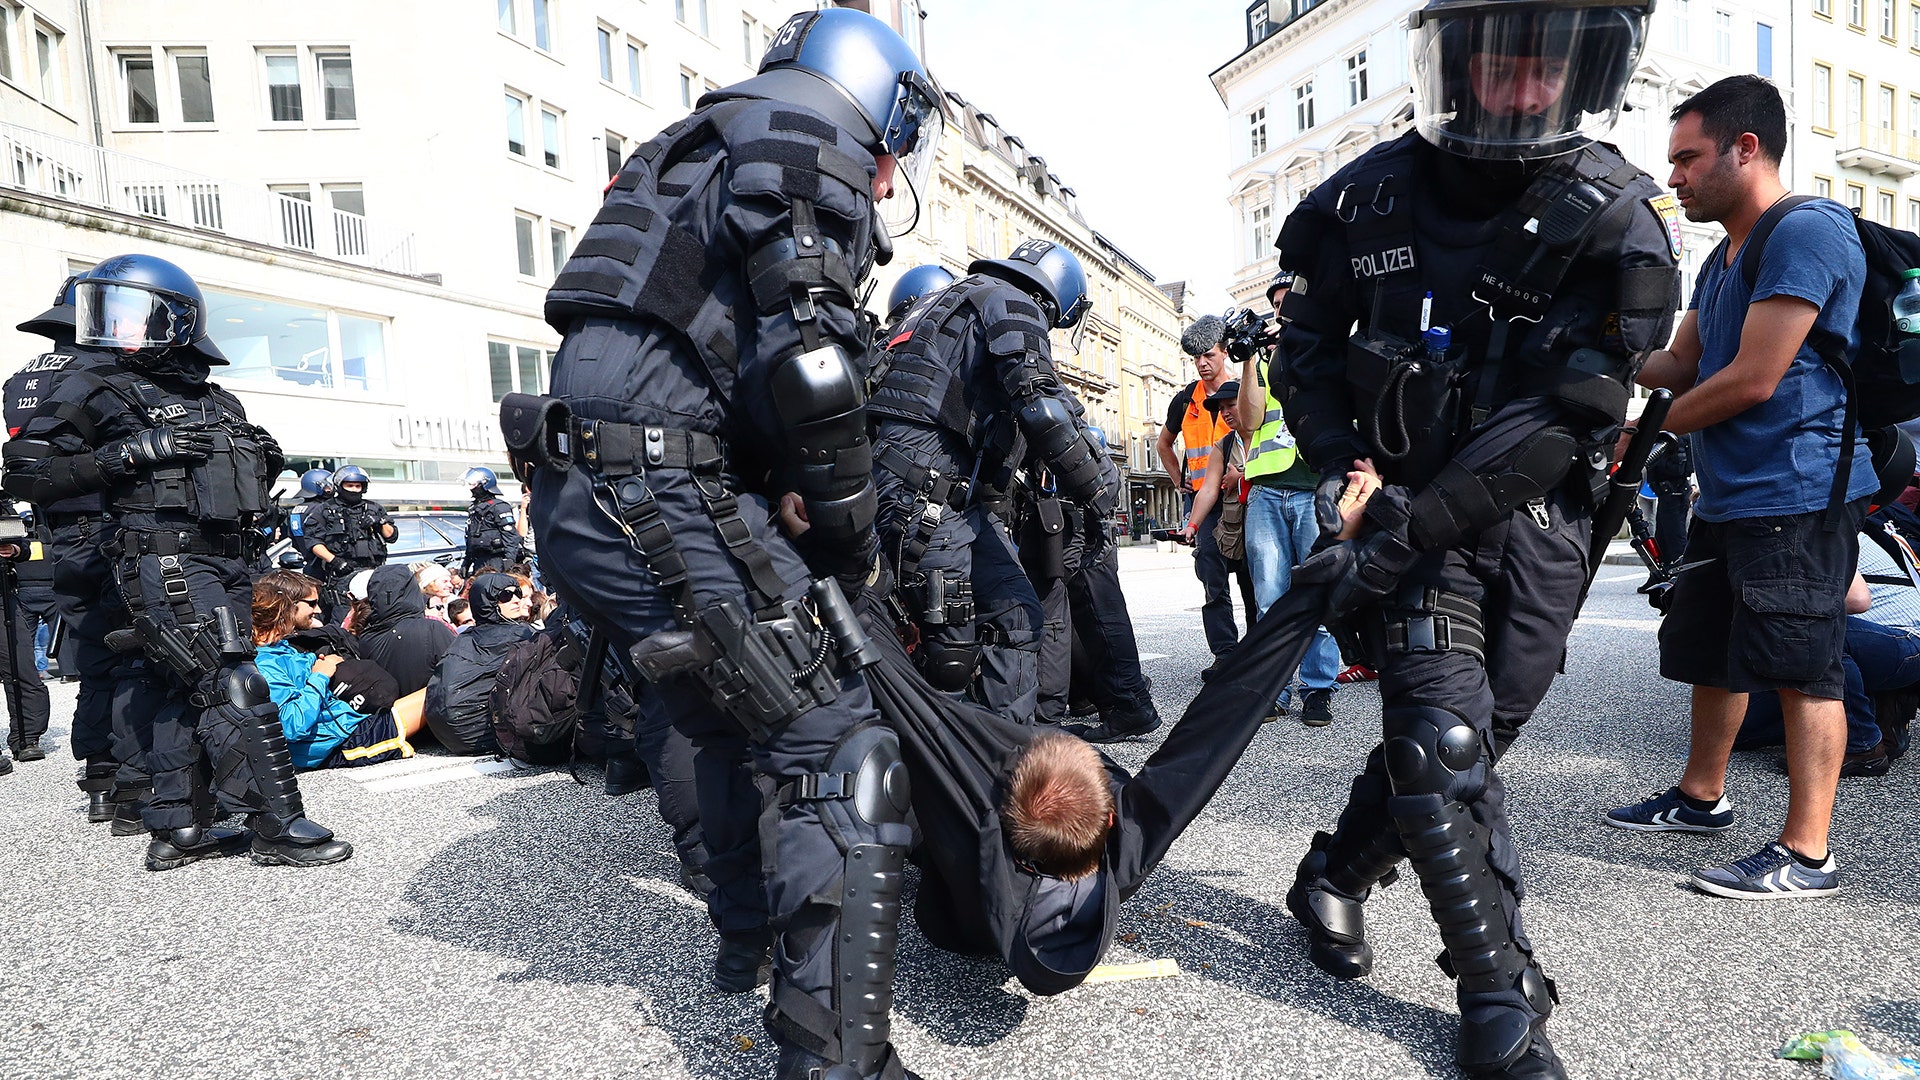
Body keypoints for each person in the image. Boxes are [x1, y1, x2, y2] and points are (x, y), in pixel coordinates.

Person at [519, 9, 941, 1075]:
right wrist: (846, 543)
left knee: (713, 715)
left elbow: (692, 345)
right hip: (659, 485)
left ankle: (745, 937)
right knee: (840, 747)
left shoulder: (690, 147)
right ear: (880, 103)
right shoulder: (808, 148)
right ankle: (835, 1056)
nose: (889, 183)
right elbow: (813, 371)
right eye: (898, 151)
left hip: (579, 488)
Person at [1273, 2, 1679, 1075]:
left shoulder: (1619, 217)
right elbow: (1303, 350)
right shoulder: (1358, 197)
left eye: (1549, 62)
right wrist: (1339, 460)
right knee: (1439, 740)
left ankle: (1336, 871)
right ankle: (1500, 994)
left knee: (1481, 731)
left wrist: (1419, 519)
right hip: (1403, 510)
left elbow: (1578, 407)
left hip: (1531, 521)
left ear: (1589, 67)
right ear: (1452, 56)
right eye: (1501, 57)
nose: (1522, 83)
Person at [1607, 77, 1879, 903]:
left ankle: (1809, 853)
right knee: (1713, 652)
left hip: (1796, 489)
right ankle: (1701, 797)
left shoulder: (1806, 232)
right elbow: (1681, 365)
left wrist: (1644, 434)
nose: (1675, 177)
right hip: (1731, 494)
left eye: (1687, 158)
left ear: (1745, 148)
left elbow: (1756, 379)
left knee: (1804, 668)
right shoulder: (1724, 256)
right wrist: (1592, 354)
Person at [3, 253, 352, 871]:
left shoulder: (217, 399)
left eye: (131, 313)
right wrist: (124, 457)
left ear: (175, 319)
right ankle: (278, 823)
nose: (115, 328)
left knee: (177, 684)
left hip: (228, 562)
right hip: (161, 560)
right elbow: (29, 474)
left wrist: (267, 460)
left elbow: (241, 484)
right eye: (107, 313)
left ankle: (180, 827)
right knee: (232, 679)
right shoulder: (95, 387)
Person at [873, 239, 1111, 727]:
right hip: (926, 494)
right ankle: (946, 781)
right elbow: (1043, 409)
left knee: (1019, 618)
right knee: (949, 653)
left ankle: (1006, 759)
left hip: (945, 496)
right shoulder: (1012, 301)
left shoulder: (944, 304)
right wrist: (1098, 492)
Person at [3, 272, 156, 819]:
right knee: (135, 651)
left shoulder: (21, 378)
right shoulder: (99, 373)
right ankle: (135, 784)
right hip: (108, 522)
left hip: (58, 529)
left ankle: (99, 776)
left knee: (91, 654)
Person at [1735, 508, 1920, 776]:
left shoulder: (1814, 527)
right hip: (1882, 641)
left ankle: (1861, 745)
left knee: (1808, 632)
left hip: (1904, 640)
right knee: (1741, 730)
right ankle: (1871, 705)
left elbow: (1857, 600)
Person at [1237, 272, 1344, 725]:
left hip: (1316, 488)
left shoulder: (1330, 347)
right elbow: (1248, 421)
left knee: (1321, 591)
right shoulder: (1262, 360)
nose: (1281, 312)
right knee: (1269, 596)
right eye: (1277, 305)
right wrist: (1247, 359)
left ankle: (1318, 687)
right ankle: (1274, 689)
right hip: (1266, 490)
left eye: (1289, 303)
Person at [252, 570, 424, 768]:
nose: (316, 611)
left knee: (433, 693)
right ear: (279, 616)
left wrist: (323, 662)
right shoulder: (265, 664)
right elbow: (292, 725)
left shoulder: (280, 650)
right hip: (342, 743)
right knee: (435, 695)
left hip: (346, 725)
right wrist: (320, 676)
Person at [1158, 315, 1239, 657]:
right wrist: (1180, 481)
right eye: (1196, 358)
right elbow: (1164, 445)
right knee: (1210, 571)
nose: (1202, 364)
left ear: (1223, 353)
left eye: (1209, 355)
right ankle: (1226, 654)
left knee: (1253, 575)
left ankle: (1258, 654)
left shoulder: (1242, 390)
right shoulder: (1184, 399)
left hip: (1242, 493)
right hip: (1204, 501)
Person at [423, 572, 533, 756]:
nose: (515, 600)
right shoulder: (520, 634)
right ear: (487, 603)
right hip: (481, 732)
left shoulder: (464, 638)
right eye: (505, 596)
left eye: (518, 594)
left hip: (447, 734)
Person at [0, 504, 53, 764]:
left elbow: (26, 546)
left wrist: (15, 550)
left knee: (21, 668)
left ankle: (27, 737)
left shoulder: (2, 506)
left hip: (3, 598)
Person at [356, 562, 457, 698]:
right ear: (412, 590)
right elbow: (459, 675)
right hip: (428, 714)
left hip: (391, 716)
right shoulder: (432, 629)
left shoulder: (366, 638)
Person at [304, 465, 394, 592]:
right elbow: (313, 542)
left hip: (374, 572)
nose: (354, 490)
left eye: (358, 486)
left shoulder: (374, 508)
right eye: (349, 486)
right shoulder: (324, 510)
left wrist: (380, 523)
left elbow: (392, 536)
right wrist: (334, 561)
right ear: (340, 486)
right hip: (342, 574)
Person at [460, 466, 523, 576]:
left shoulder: (499, 507)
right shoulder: (474, 509)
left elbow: (510, 536)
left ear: (485, 483)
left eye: (474, 484)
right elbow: (472, 538)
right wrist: (466, 562)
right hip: (479, 560)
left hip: (497, 559)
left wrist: (510, 560)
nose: (471, 488)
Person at [1642, 432, 1692, 567]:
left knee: (1675, 538)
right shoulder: (1667, 435)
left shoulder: (1678, 436)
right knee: (1662, 538)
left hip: (1674, 492)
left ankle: (1680, 577)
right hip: (1666, 493)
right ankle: (1659, 575)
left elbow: (1678, 467)